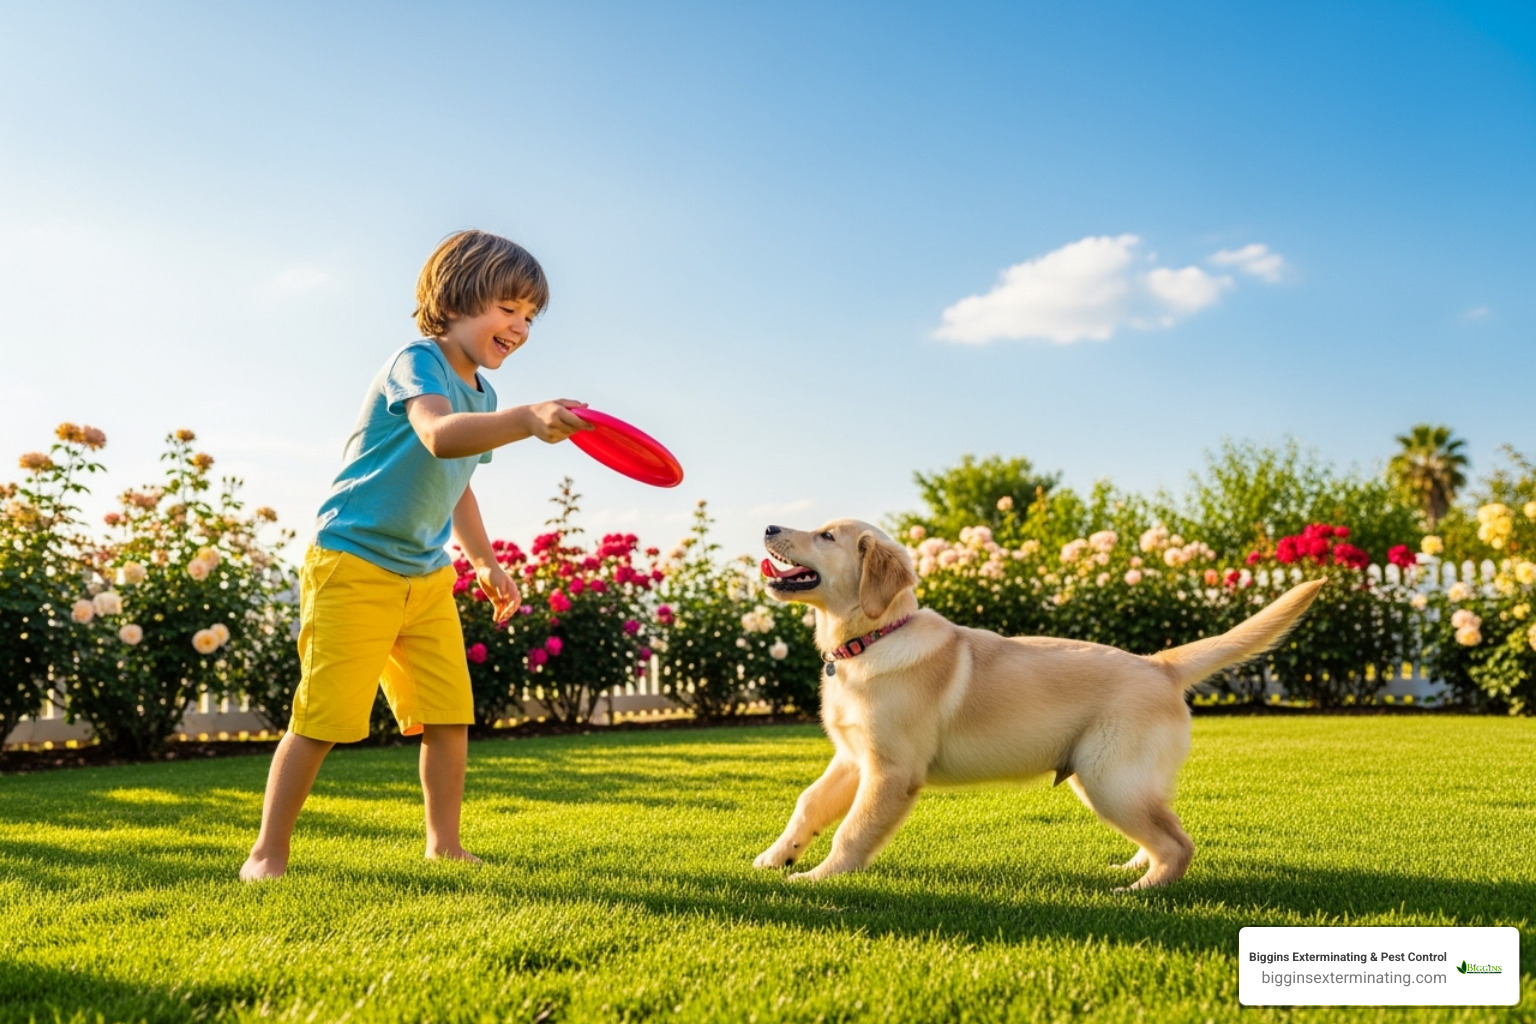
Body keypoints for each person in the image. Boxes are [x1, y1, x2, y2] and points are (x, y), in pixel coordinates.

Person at [240, 229, 589, 881]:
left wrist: (484, 562)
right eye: (507, 309)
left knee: (448, 712)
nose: (520, 326)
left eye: (530, 316)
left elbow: (459, 482)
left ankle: (445, 844)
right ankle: (267, 853)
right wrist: (525, 419)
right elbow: (436, 435)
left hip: (425, 574)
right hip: (354, 561)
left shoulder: (482, 395)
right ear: (455, 299)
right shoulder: (418, 360)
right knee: (323, 716)